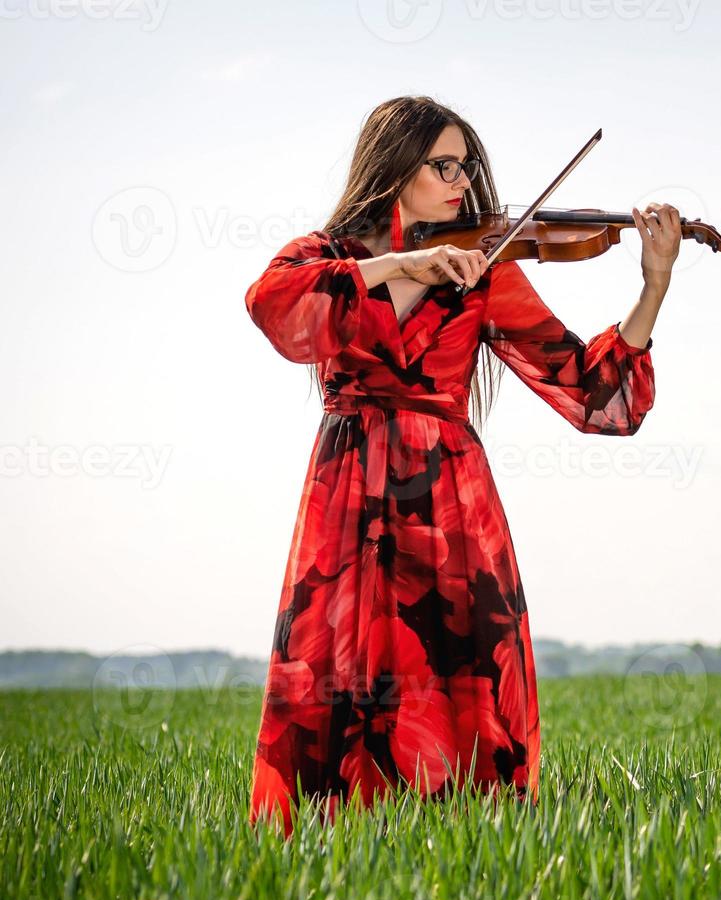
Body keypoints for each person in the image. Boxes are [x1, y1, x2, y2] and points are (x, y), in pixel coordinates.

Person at [244, 95, 679, 838]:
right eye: (442, 164)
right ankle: (322, 861)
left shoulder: (486, 268)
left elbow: (591, 393)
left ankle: (471, 858)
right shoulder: (330, 258)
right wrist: (404, 263)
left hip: (450, 502)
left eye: (466, 165)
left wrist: (654, 287)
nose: (462, 180)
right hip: (348, 494)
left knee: (461, 670)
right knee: (336, 673)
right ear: (393, 169)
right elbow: (274, 306)